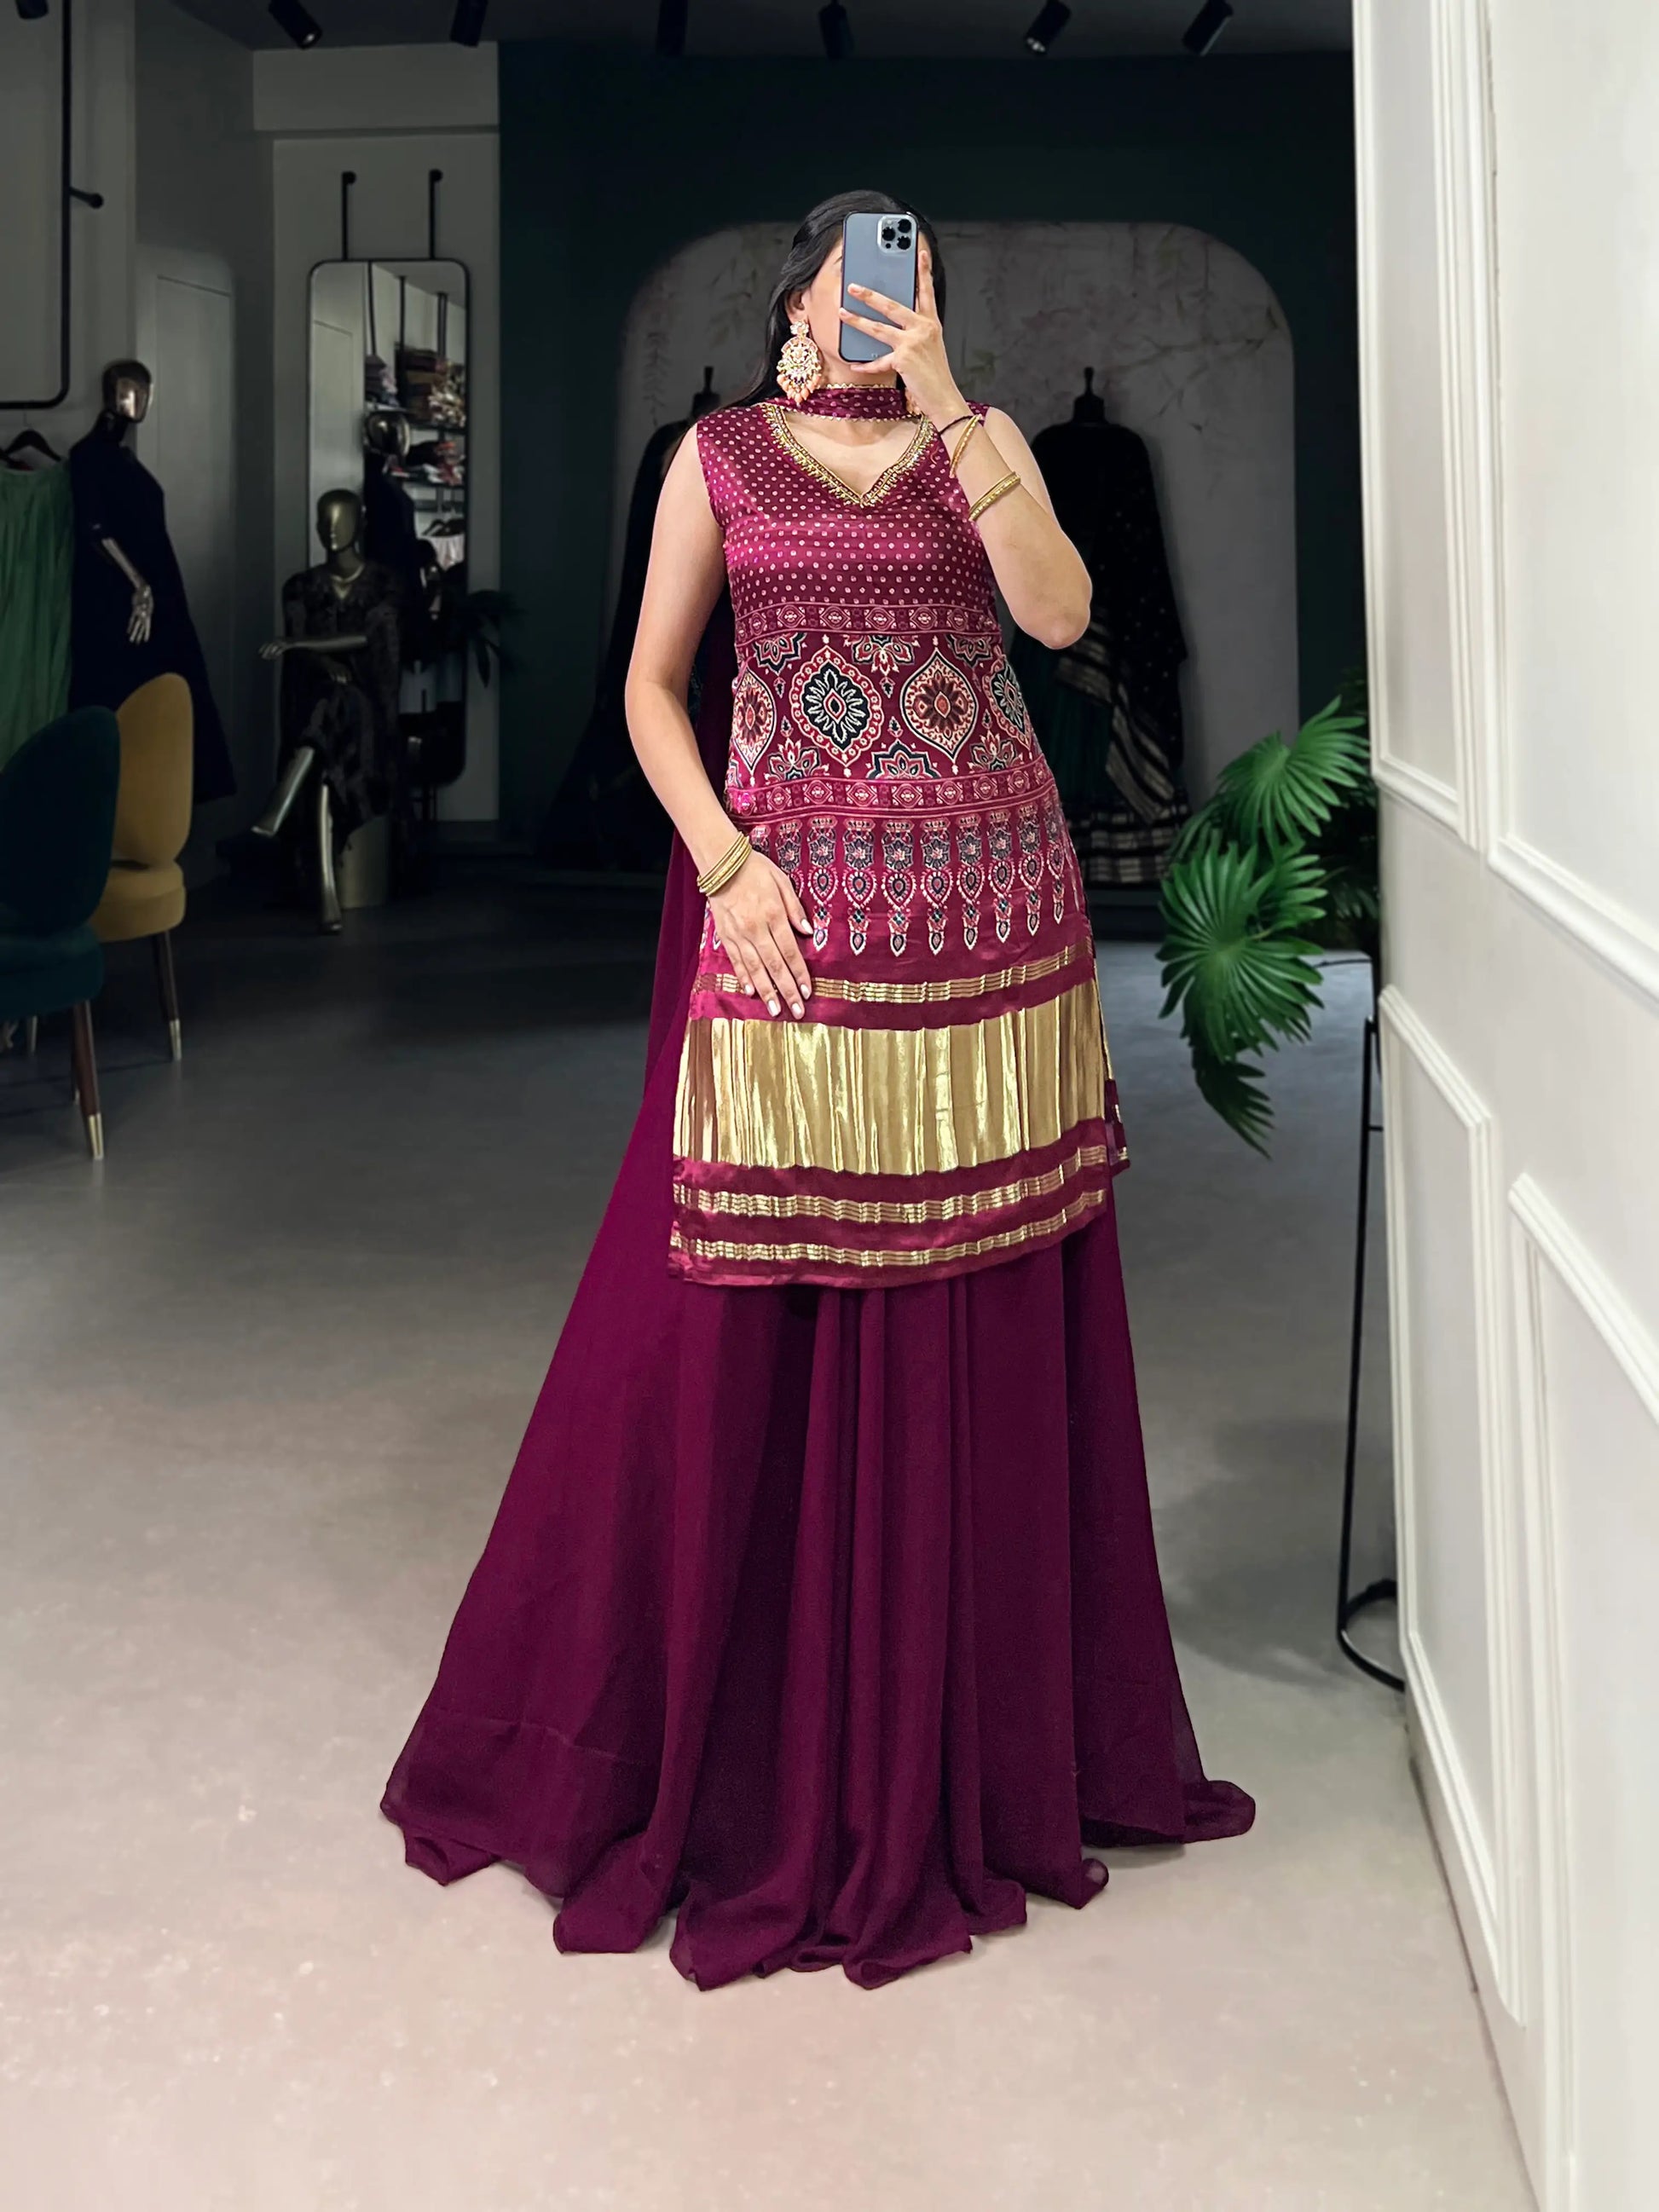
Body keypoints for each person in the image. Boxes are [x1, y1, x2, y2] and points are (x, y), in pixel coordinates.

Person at [382, 191, 1252, 1991]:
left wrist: (947, 399)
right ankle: (761, 1745)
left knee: (980, 1318)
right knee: (726, 1315)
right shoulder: (716, 458)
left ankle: (973, 1745)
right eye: (855, 284)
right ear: (793, 304)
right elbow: (648, 687)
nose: (879, 304)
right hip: (788, 930)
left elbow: (1062, 614)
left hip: (993, 936)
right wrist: (724, 865)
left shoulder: (978, 439)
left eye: (908, 283)